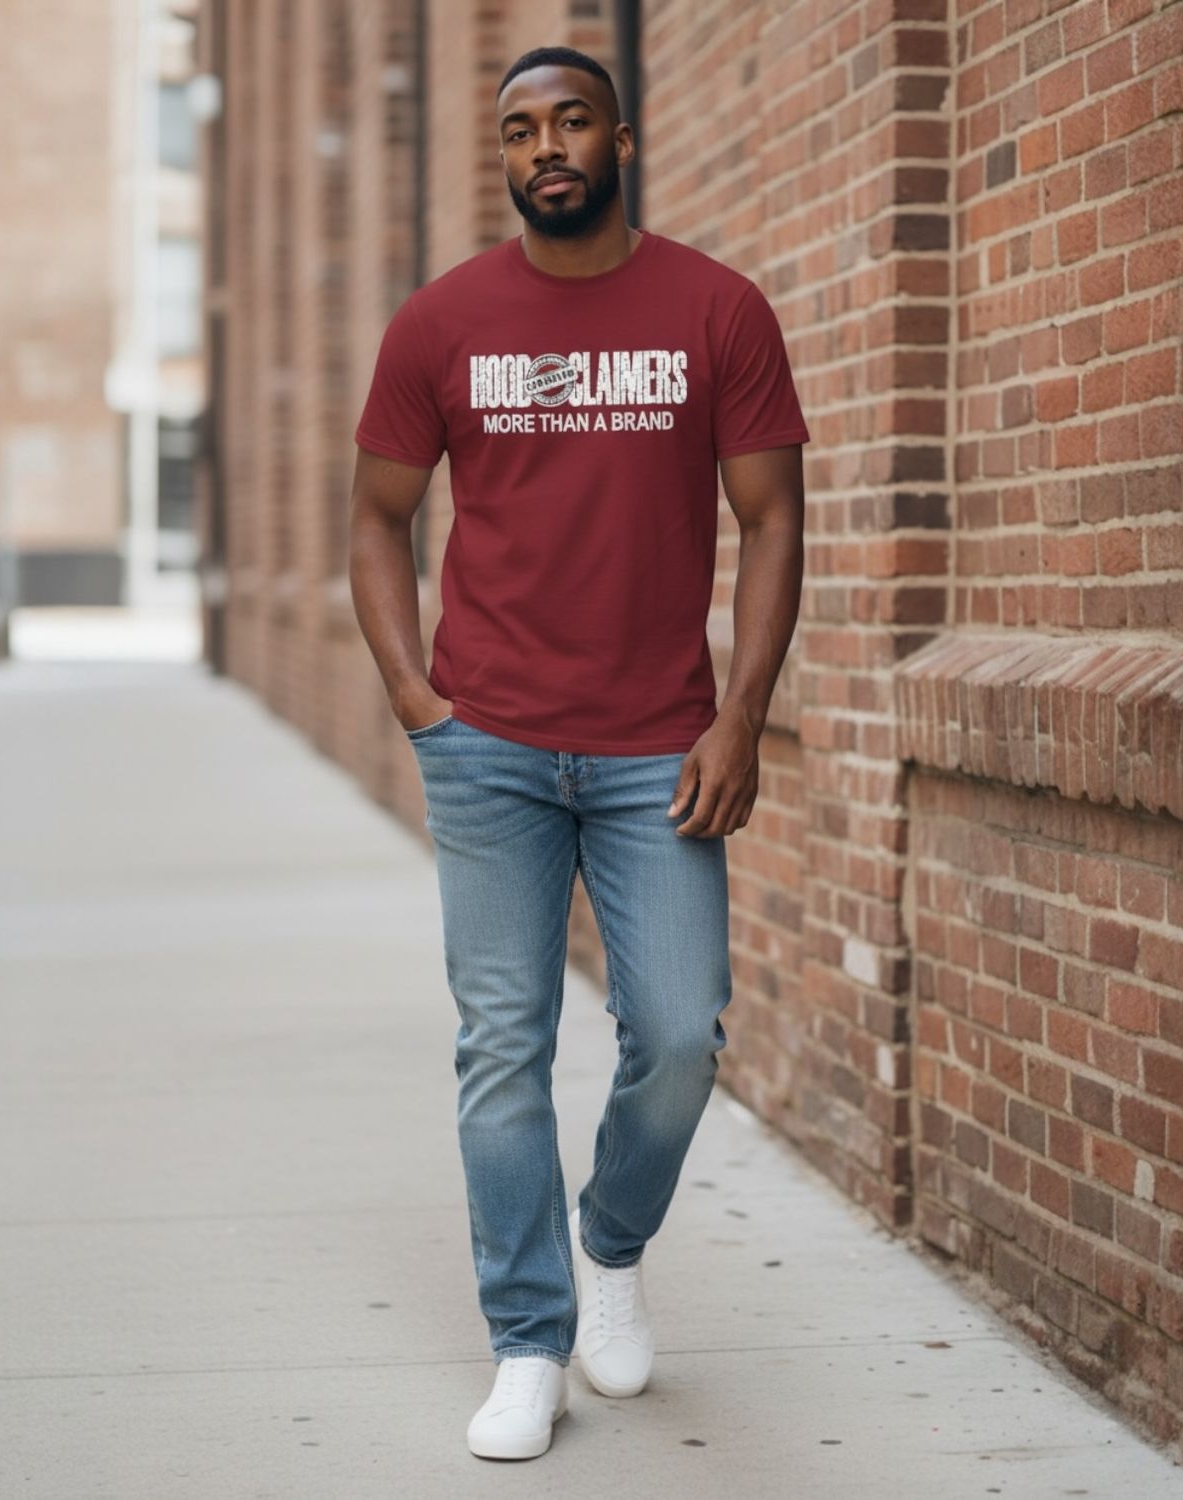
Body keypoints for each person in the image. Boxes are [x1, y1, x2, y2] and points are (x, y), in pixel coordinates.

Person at [348, 43, 808, 1461]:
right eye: (518, 130)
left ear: (622, 135)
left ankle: (611, 1243)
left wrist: (740, 711)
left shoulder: (716, 310)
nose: (544, 147)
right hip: (485, 741)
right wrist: (416, 697)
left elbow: (773, 517)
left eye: (568, 123)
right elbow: (374, 517)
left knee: (677, 1033)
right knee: (504, 1046)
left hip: (655, 747)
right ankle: (529, 1340)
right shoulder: (442, 324)